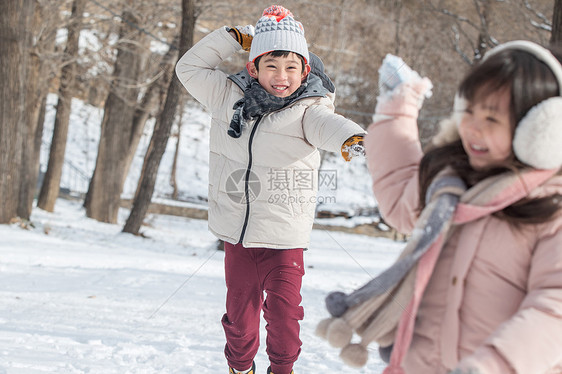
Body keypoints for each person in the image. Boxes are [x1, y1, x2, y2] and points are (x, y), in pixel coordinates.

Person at [175, 5, 366, 374]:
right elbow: (189, 68)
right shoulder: (225, 95)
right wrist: (232, 38)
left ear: (305, 70)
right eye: (272, 66)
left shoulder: (309, 109)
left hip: (284, 237)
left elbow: (330, 125)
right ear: (254, 68)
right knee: (241, 320)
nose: (282, 77)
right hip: (239, 236)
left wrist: (352, 137)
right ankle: (240, 367)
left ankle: (283, 370)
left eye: (292, 67)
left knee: (283, 318)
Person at [361, 40, 562, 374]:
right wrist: (396, 110)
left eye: (492, 118)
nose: (473, 127)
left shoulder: (551, 210)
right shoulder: (451, 183)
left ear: (540, 130)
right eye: (469, 111)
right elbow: (400, 196)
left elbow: (555, 306)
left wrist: (493, 365)